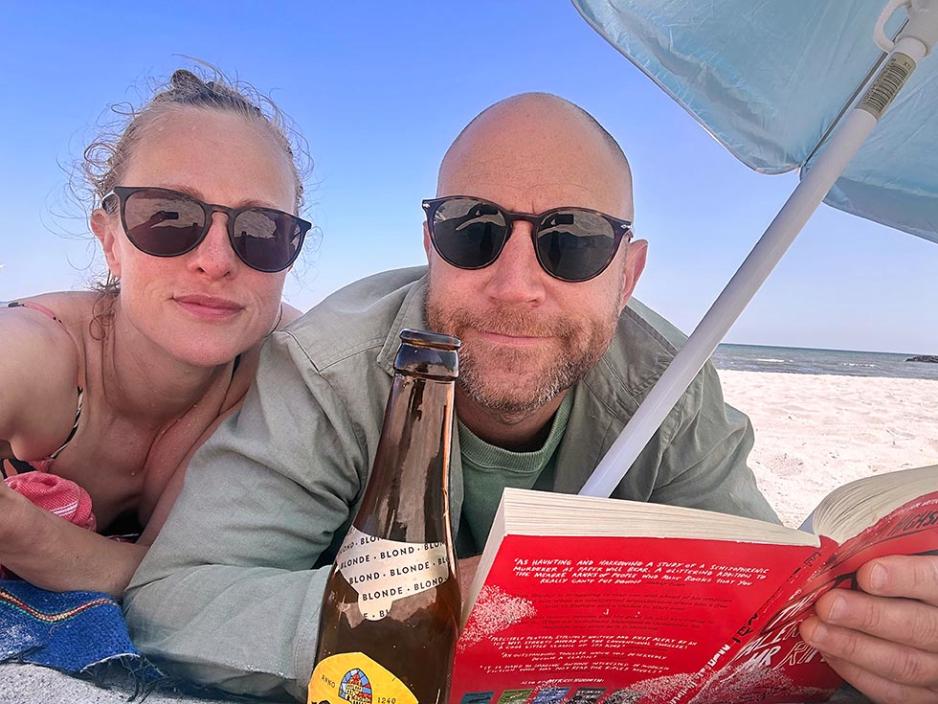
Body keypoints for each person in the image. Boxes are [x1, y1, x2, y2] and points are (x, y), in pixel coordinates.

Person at [125, 94, 938, 704]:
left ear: (628, 274)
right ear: (430, 246)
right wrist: (423, 610)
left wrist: (878, 643)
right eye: (471, 229)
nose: (515, 286)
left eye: (572, 240)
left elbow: (767, 616)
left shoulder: (670, 393)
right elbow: (177, 601)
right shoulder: (335, 369)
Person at [0, 68, 312, 597]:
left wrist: (21, 532)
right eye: (168, 216)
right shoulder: (36, 350)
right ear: (110, 242)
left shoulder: (293, 362)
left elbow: (183, 580)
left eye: (261, 230)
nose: (216, 261)